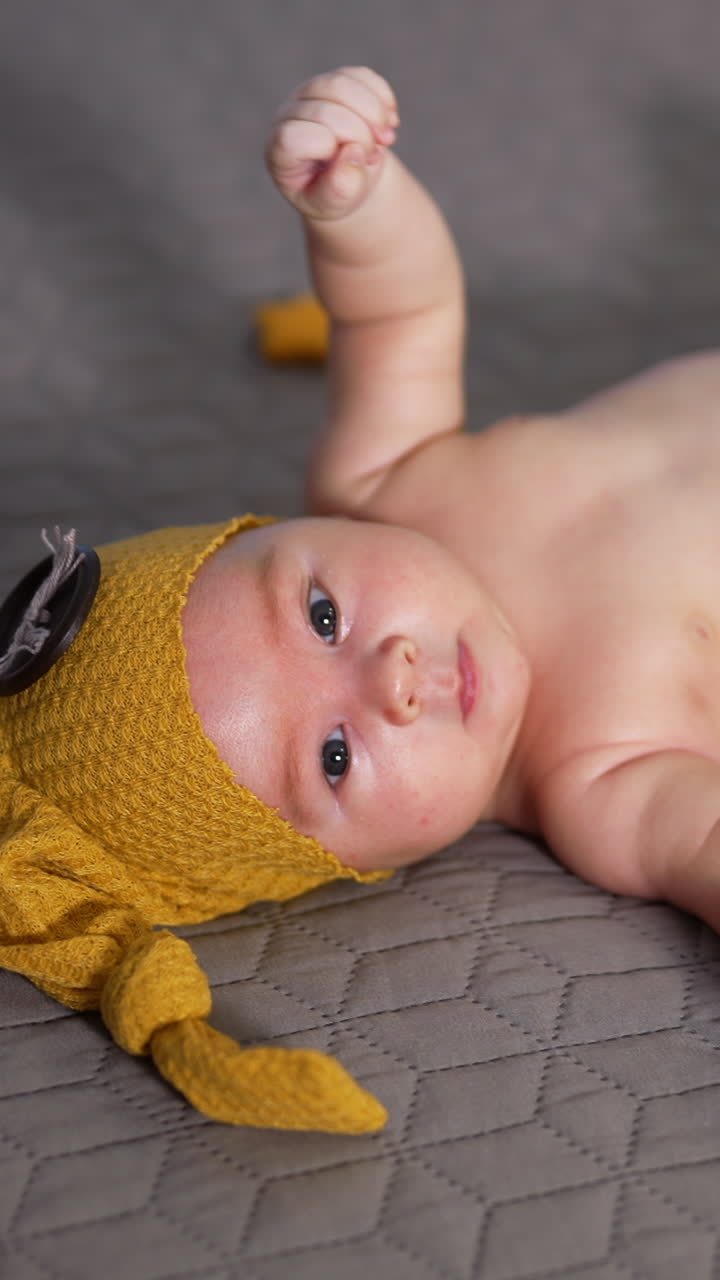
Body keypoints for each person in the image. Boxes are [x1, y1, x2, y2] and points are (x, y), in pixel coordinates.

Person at [1, 65, 719, 1136]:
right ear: (345, 868)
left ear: (275, 530)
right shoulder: (598, 778)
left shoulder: (389, 483)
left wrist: (355, 204)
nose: (391, 678)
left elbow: (400, 304)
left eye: (323, 615)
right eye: (334, 759)